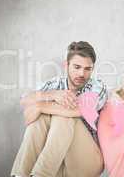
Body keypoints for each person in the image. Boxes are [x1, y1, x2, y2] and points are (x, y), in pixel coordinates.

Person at [11, 41, 108, 177]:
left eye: (87, 69)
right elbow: (25, 101)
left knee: (64, 115)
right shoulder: (55, 84)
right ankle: (21, 174)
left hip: (87, 162)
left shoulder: (97, 86)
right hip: (59, 164)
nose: (82, 73)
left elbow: (79, 110)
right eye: (77, 67)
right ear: (66, 65)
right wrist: (51, 95)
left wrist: (40, 106)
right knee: (42, 117)